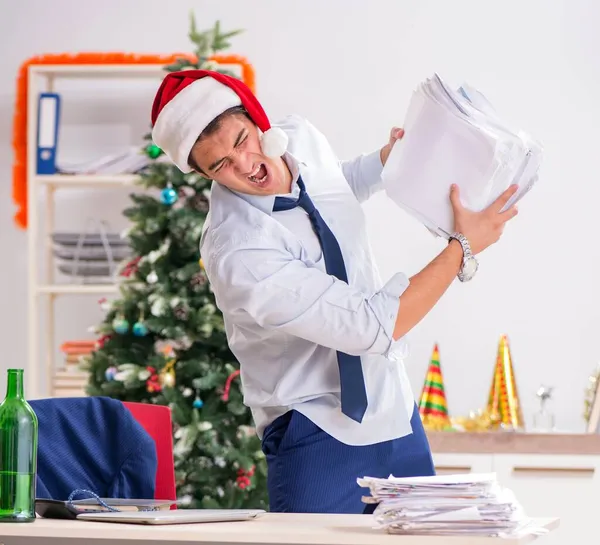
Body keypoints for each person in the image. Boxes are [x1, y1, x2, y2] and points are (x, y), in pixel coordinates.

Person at [150, 70, 518, 514]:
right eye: (219, 165)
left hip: (394, 411)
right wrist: (463, 247)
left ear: (257, 118)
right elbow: (372, 325)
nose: (244, 164)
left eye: (241, 139)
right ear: (202, 173)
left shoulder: (298, 137)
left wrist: (387, 161)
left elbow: (333, 185)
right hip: (314, 430)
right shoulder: (238, 250)